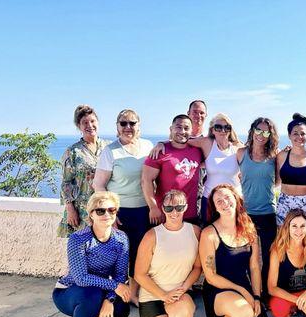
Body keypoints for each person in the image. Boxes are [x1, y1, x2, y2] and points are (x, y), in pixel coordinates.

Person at [52, 191, 131, 317]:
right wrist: (115, 287)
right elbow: (81, 278)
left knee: (122, 308)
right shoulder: (78, 239)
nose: (107, 214)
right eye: (100, 211)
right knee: (92, 294)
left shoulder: (121, 239)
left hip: (101, 290)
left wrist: (109, 300)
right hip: (71, 292)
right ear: (91, 214)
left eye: (111, 210)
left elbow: (120, 275)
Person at [199, 184, 273, 317]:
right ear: (215, 207)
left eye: (227, 197)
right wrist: (242, 291)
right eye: (219, 201)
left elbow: (255, 267)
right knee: (246, 316)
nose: (224, 203)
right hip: (218, 290)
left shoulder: (249, 228)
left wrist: (256, 296)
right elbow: (210, 276)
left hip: (244, 288)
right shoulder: (209, 233)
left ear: (236, 199)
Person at [93, 109, 154, 305]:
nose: (128, 127)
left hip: (144, 210)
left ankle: (134, 294)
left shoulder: (148, 146)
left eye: (132, 123)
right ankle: (114, 295)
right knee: (118, 255)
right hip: (120, 212)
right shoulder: (110, 151)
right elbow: (99, 185)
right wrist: (110, 213)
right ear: (117, 127)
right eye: (123, 123)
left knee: (140, 254)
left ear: (139, 126)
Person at [134, 190, 201, 317]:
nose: (174, 212)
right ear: (162, 209)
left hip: (179, 294)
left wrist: (184, 287)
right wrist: (163, 296)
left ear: (185, 208)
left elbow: (197, 268)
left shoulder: (195, 231)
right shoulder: (152, 236)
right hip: (152, 296)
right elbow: (139, 275)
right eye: (169, 208)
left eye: (179, 207)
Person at [150, 113, 242, 224]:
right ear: (212, 130)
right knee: (209, 233)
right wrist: (161, 143)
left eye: (227, 127)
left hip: (232, 200)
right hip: (209, 200)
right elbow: (182, 139)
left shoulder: (238, 148)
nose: (223, 130)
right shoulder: (207, 143)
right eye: (218, 127)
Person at [237, 117, 280, 300]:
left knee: (269, 256)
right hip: (246, 213)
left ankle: (265, 295)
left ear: (270, 135)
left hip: (268, 213)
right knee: (246, 256)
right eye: (259, 130)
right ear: (252, 130)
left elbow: (277, 181)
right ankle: (248, 292)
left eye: (266, 132)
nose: (262, 135)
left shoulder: (274, 156)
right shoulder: (241, 153)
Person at [57, 105, 110, 237]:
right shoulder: (73, 152)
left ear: (98, 122)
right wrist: (70, 209)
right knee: (83, 250)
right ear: (79, 126)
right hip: (82, 212)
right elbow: (66, 182)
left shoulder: (109, 147)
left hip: (106, 208)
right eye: (85, 123)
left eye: (92, 121)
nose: (90, 125)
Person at [142, 114, 203, 226]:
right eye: (178, 127)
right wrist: (153, 207)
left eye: (186, 128)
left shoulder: (198, 150)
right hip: (167, 213)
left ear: (191, 130)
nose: (182, 131)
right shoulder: (159, 152)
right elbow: (146, 180)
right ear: (171, 129)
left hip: (191, 214)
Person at [276, 113, 306, 236]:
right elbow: (275, 181)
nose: (299, 136)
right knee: (284, 242)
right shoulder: (281, 156)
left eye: (303, 133)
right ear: (289, 135)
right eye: (295, 133)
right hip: (285, 203)